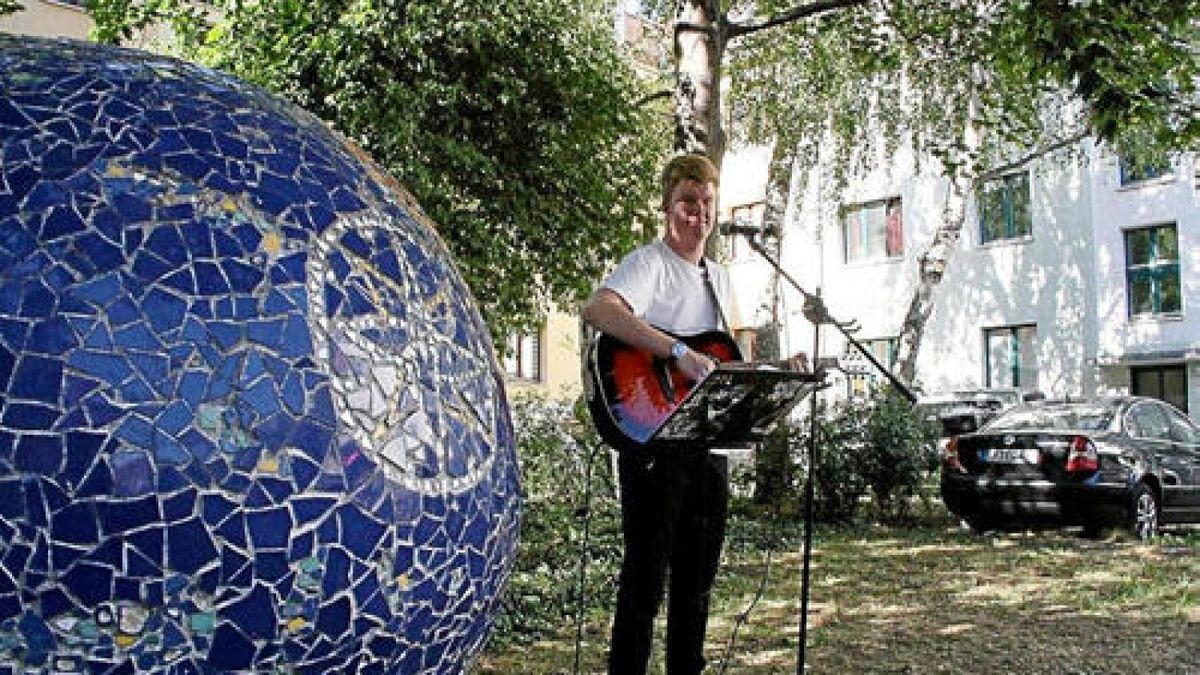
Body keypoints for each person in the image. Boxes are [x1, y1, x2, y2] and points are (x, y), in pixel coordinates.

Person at [581, 152, 740, 674]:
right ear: (667, 207)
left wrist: (788, 368)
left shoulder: (721, 279)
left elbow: (733, 359)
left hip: (706, 448)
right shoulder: (649, 263)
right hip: (653, 441)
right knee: (645, 581)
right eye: (686, 202)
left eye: (706, 202)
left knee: (696, 585)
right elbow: (599, 310)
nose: (698, 213)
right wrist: (676, 353)